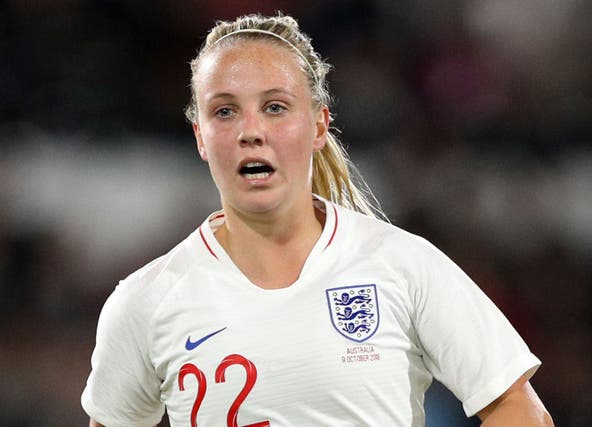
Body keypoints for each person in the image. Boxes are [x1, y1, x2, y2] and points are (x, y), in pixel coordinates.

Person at [81, 13, 553, 427]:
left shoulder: (401, 264)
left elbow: (517, 406)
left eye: (275, 107)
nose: (251, 131)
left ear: (319, 126)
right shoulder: (146, 300)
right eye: (224, 111)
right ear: (201, 137)